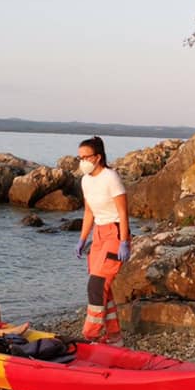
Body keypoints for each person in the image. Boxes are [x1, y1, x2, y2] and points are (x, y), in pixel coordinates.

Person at [74, 136, 130, 346]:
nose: (82, 161)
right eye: (79, 157)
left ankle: (91, 335)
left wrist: (124, 241)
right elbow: (89, 211)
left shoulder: (111, 177)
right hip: (98, 234)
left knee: (96, 286)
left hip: (115, 234)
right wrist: (82, 239)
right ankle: (115, 337)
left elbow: (123, 213)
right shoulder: (85, 180)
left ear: (98, 157)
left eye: (86, 157)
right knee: (103, 288)